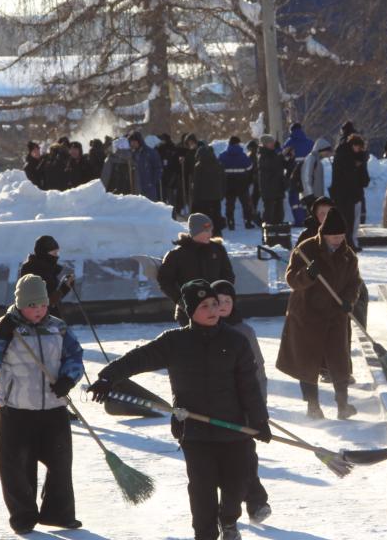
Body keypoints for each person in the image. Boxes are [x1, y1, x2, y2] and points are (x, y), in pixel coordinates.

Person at [88, 281, 270, 540]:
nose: (212, 310)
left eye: (214, 304)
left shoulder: (236, 341)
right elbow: (139, 358)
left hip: (235, 428)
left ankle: (229, 520)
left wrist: (260, 421)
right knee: (202, 488)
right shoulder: (175, 342)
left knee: (237, 484)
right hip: (195, 430)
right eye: (204, 306)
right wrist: (108, 377)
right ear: (190, 311)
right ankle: (204, 535)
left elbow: (249, 386)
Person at [0, 274, 84, 535]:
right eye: (33, 305)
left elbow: (75, 355)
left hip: (53, 409)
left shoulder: (58, 327)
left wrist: (68, 379)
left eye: (43, 305)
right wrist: (0, 335)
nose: (39, 310)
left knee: (60, 464)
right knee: (17, 468)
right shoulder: (4, 328)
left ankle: (59, 513)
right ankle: (23, 516)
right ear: (21, 304)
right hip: (17, 410)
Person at [277, 209, 362, 419]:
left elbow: (354, 283)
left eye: (341, 236)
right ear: (324, 234)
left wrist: (348, 301)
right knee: (307, 361)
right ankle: (312, 406)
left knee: (339, 360)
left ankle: (343, 405)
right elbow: (292, 280)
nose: (338, 240)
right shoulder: (306, 250)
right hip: (307, 315)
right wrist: (307, 275)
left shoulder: (348, 256)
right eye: (334, 237)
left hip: (335, 314)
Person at [212, 280, 272, 523]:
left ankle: (256, 504)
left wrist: (259, 407)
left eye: (228, 301)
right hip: (213, 408)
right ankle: (230, 510)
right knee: (222, 463)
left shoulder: (244, 331)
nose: (223, 305)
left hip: (243, 406)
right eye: (219, 301)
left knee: (246, 455)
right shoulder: (201, 332)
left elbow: (258, 368)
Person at [158, 213, 235, 323]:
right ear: (196, 232)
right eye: (207, 231)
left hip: (216, 310)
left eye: (211, 230)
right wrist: (181, 301)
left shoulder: (218, 250)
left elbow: (228, 275)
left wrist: (222, 295)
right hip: (189, 313)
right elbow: (165, 281)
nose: (211, 234)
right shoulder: (177, 254)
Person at [329, 134, 369, 250]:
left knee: (350, 221)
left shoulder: (344, 155)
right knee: (348, 221)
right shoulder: (346, 157)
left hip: (347, 194)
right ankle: (347, 244)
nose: (359, 150)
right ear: (354, 145)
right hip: (346, 194)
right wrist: (356, 167)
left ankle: (349, 244)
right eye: (358, 147)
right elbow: (347, 176)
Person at [18, 235, 75, 315]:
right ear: (44, 252)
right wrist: (64, 288)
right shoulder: (33, 270)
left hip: (47, 316)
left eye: (57, 252)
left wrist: (65, 286)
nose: (56, 256)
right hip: (39, 317)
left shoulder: (47, 269)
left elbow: (51, 299)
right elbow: (43, 301)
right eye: (54, 253)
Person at [219, 136, 254, 232]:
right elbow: (250, 167)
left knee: (230, 204)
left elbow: (219, 168)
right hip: (242, 183)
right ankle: (248, 222)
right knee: (245, 204)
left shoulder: (223, 155)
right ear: (238, 144)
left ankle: (230, 222)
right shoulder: (243, 155)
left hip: (229, 183)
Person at [190, 144, 227, 236]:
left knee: (205, 216)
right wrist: (222, 193)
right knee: (216, 215)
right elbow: (223, 180)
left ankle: (207, 233)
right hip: (216, 196)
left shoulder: (199, 166)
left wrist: (194, 198)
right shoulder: (218, 164)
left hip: (203, 197)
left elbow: (197, 183)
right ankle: (217, 233)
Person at [257, 135, 288, 225]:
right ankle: (268, 228)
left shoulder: (274, 153)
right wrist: (281, 155)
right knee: (269, 210)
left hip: (278, 186)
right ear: (265, 144)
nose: (273, 144)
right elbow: (271, 165)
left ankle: (278, 227)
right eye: (271, 142)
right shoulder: (263, 154)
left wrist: (288, 158)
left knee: (279, 210)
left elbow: (282, 165)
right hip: (269, 187)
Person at [127, 131, 163, 201]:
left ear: (139, 141)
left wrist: (152, 182)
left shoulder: (150, 153)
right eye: (131, 142)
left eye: (134, 142)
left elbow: (158, 168)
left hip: (149, 188)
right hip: (135, 187)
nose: (132, 144)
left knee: (149, 205)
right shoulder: (131, 154)